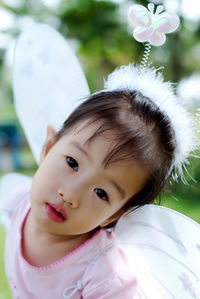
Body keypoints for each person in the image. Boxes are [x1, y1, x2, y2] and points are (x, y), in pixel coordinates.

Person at [0, 7, 199, 299]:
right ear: (48, 147)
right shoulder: (17, 201)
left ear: (115, 214)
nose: (70, 194)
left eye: (101, 193)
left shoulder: (106, 278)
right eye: (72, 162)